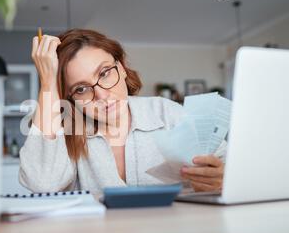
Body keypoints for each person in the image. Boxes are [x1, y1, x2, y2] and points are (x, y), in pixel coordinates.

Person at [19, 29, 226, 193]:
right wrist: (48, 83)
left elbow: (234, 168)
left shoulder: (166, 113)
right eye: (81, 89)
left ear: (122, 67)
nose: (101, 95)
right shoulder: (67, 133)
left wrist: (222, 178)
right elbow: (42, 184)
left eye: (105, 73)